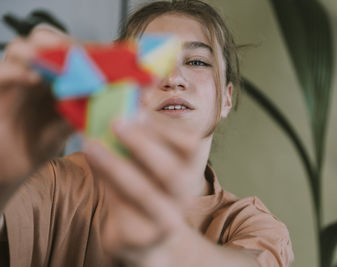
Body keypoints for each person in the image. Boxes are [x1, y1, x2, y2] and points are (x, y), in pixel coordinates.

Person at [0, 0, 294, 266]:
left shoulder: (251, 225)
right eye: (152, 62)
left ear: (227, 99)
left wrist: (166, 249)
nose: (174, 79)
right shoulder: (57, 183)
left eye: (197, 62)